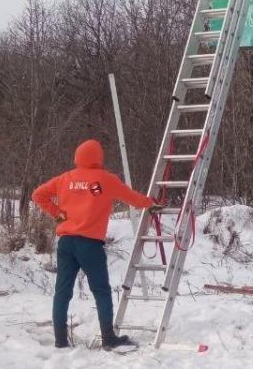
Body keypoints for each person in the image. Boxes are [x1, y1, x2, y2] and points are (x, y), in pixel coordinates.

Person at [32, 139, 160, 350]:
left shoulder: (65, 178)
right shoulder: (105, 179)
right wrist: (150, 203)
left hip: (65, 243)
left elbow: (38, 195)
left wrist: (60, 215)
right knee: (101, 291)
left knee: (62, 292)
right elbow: (134, 199)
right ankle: (108, 338)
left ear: (77, 156)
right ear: (99, 158)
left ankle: (60, 340)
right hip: (89, 245)